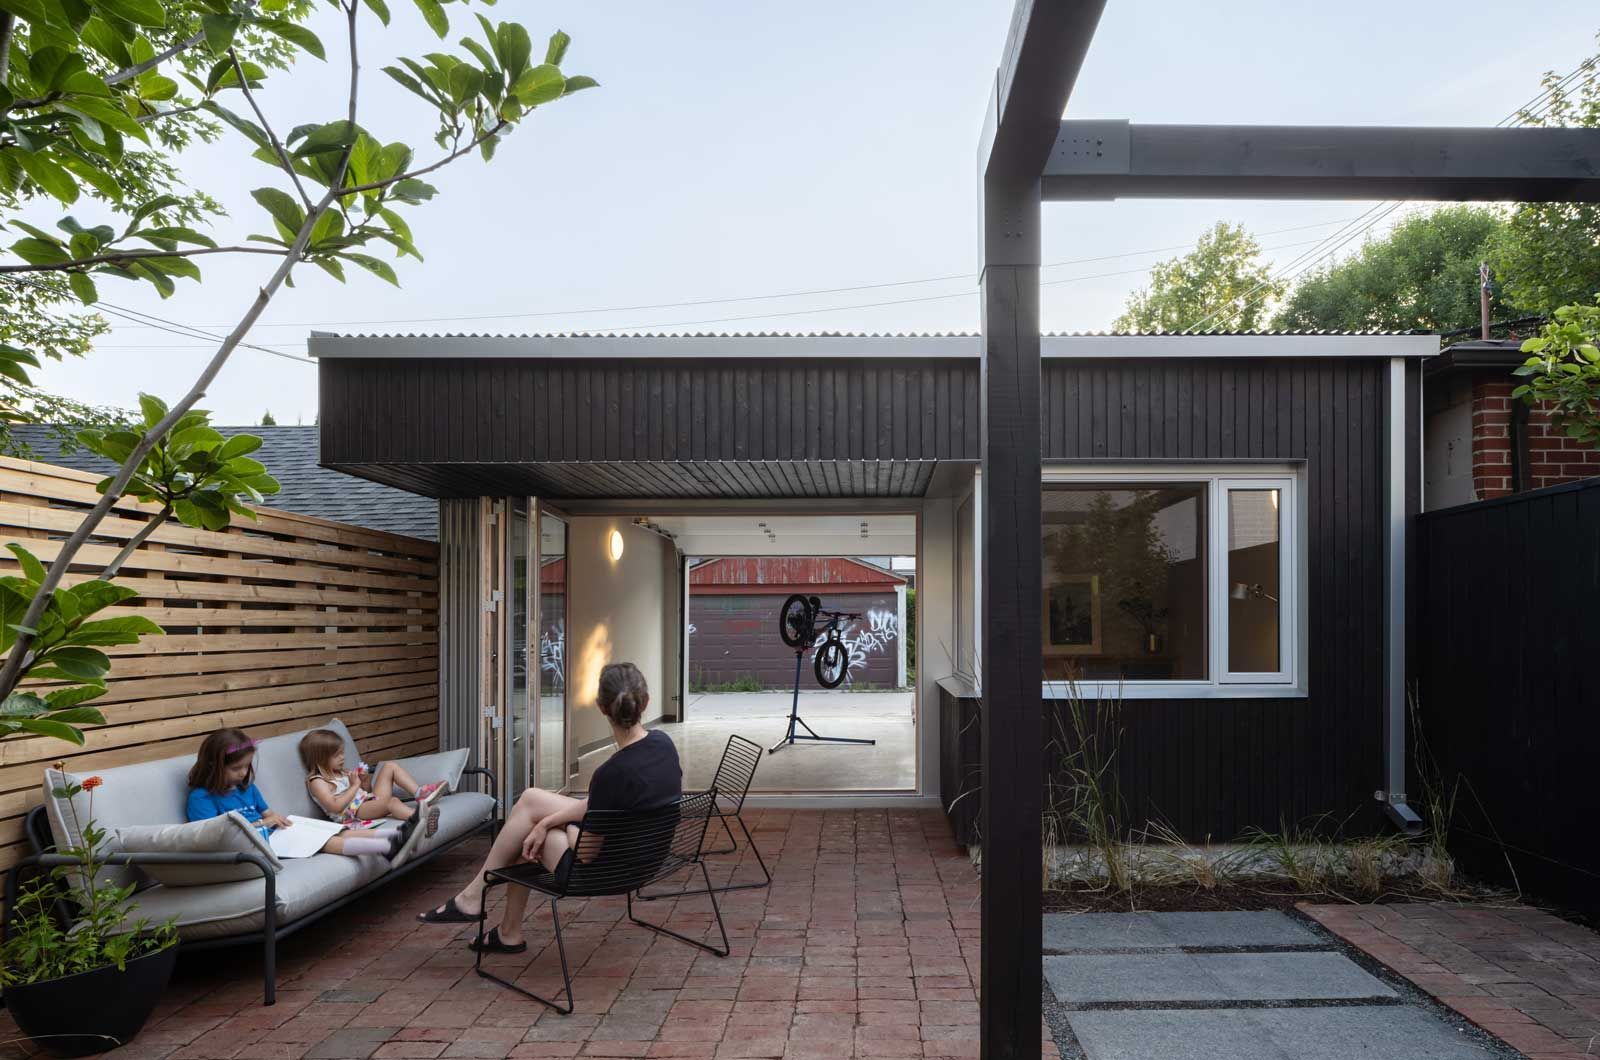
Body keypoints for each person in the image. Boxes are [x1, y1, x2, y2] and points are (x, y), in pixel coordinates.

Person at [417, 662, 681, 954]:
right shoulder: (663, 744)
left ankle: (486, 912)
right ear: (646, 702)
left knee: (526, 831)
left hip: (609, 871)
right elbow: (604, 805)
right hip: (646, 858)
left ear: (600, 707)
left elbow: (586, 853)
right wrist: (547, 821)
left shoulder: (611, 773)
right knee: (530, 800)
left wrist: (554, 825)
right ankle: (486, 911)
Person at [186, 727, 423, 862]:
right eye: (236, 769)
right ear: (214, 766)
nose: (243, 773)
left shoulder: (246, 788)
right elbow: (212, 837)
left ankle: (398, 833)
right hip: (252, 846)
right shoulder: (201, 798)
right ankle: (388, 846)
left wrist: (277, 820)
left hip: (271, 833)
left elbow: (269, 814)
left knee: (330, 829)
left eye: (246, 766)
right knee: (323, 840)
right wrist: (263, 823)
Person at [299, 728, 446, 831]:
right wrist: (354, 786)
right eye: (337, 755)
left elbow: (366, 792)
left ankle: (420, 793)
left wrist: (364, 781)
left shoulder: (341, 772)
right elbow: (335, 807)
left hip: (365, 803)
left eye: (342, 753)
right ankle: (420, 820)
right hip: (351, 814)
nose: (343, 757)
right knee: (392, 801)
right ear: (321, 758)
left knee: (390, 766)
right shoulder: (318, 781)